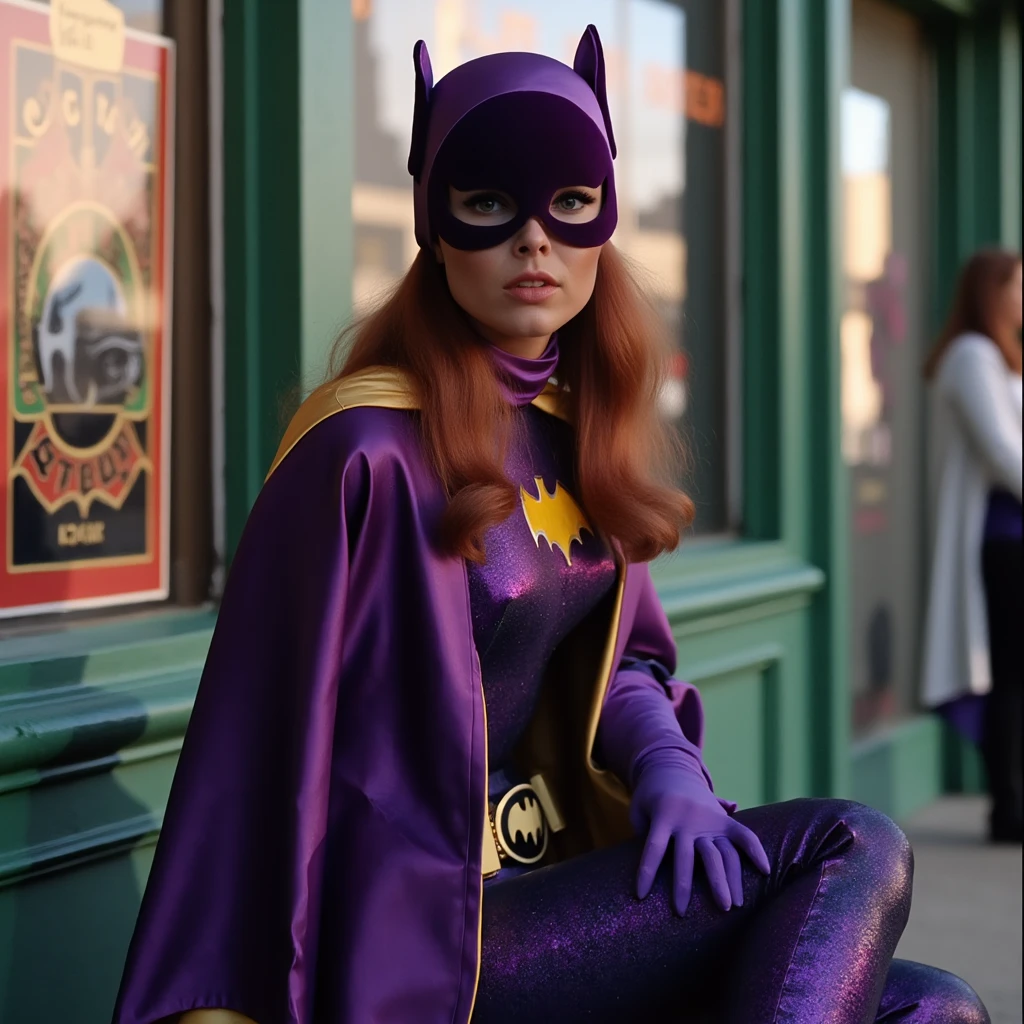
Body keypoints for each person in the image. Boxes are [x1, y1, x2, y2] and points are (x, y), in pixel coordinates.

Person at [112, 28, 989, 1024]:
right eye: (488, 203)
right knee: (852, 843)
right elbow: (255, 737)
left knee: (931, 1008)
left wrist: (664, 764)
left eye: (570, 205)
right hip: (426, 932)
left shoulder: (571, 427)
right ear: (432, 226)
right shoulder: (362, 452)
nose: (535, 239)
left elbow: (618, 663)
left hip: (556, 882)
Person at [921, 249, 1023, 843]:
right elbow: (1005, 453)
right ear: (993, 292)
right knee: (1011, 675)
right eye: (1017, 286)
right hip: (1002, 544)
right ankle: (1007, 808)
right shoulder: (971, 356)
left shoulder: (1001, 356)